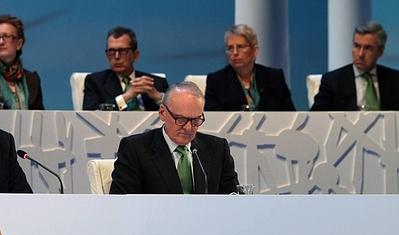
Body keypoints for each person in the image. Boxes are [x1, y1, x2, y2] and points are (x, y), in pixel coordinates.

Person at [110, 82, 239, 194]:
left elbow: (232, 199)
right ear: (162, 113)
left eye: (195, 120)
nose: (188, 128)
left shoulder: (217, 148)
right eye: (181, 119)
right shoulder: (135, 149)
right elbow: (122, 203)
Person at [204, 24, 295, 111]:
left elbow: (290, 115)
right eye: (230, 48)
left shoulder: (274, 78)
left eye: (240, 47)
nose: (235, 52)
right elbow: (213, 119)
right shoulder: (216, 81)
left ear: (255, 51)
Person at [311, 21, 399, 111]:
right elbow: (316, 118)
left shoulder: (395, 80)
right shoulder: (332, 81)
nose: (360, 54)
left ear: (381, 51)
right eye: (357, 46)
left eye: (368, 48)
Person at [83, 26, 168, 111]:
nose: (116, 57)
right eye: (111, 51)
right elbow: (90, 115)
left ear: (136, 55)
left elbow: (175, 114)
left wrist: (157, 97)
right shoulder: (95, 82)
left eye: (123, 51)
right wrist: (127, 96)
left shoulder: (157, 83)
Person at [0, 14, 44, 110]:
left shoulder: (32, 80)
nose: (1, 42)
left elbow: (41, 118)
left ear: (19, 44)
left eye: (6, 36)